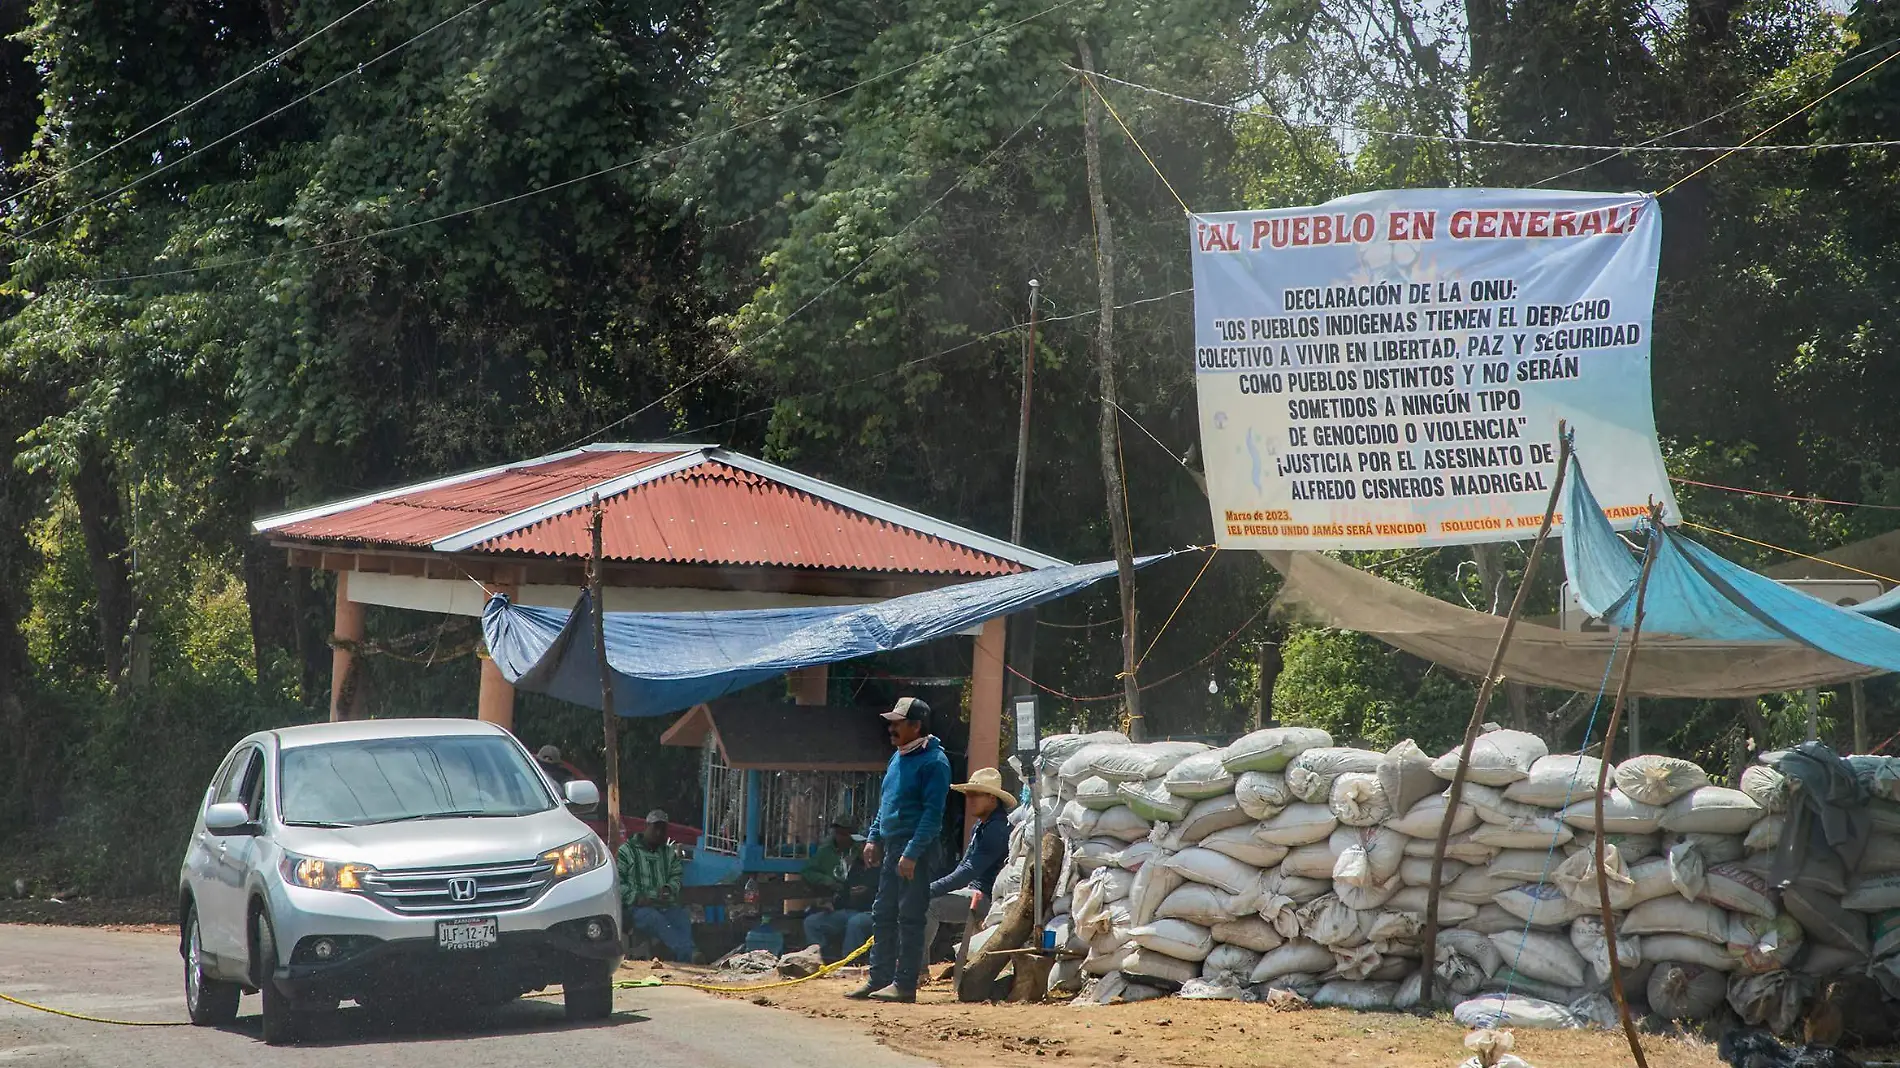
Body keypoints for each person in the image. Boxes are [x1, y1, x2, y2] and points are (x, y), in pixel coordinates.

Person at [845, 697, 950, 1003]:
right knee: (884, 912)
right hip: (892, 846)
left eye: (898, 723)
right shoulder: (898, 757)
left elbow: (932, 815)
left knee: (910, 915)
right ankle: (879, 979)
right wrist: (873, 837)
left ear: (916, 726)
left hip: (914, 848)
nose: (891, 728)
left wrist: (912, 853)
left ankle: (905, 984)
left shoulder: (934, 762)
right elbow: (886, 803)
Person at [921, 766, 1016, 966]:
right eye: (968, 795)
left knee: (928, 906)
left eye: (975, 795)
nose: (969, 800)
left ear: (992, 799)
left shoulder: (997, 829)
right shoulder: (981, 826)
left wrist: (929, 890)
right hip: (974, 891)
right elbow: (963, 868)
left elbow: (967, 872)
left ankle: (915, 970)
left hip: (987, 898)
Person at [617, 809, 695, 962]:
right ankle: (689, 953)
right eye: (655, 828)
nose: (659, 833)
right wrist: (636, 897)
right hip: (637, 909)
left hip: (664, 905)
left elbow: (676, 876)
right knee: (654, 919)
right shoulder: (627, 851)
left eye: (662, 829)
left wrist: (669, 888)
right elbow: (618, 883)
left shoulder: (669, 853)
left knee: (682, 917)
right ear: (646, 827)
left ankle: (686, 957)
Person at [802, 822, 877, 961]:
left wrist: (868, 893)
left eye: (863, 844)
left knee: (856, 922)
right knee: (812, 922)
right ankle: (820, 961)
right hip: (848, 911)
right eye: (859, 845)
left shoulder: (885, 868)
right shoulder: (857, 866)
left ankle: (849, 964)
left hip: (872, 913)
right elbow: (845, 891)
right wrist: (831, 904)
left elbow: (888, 898)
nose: (859, 848)